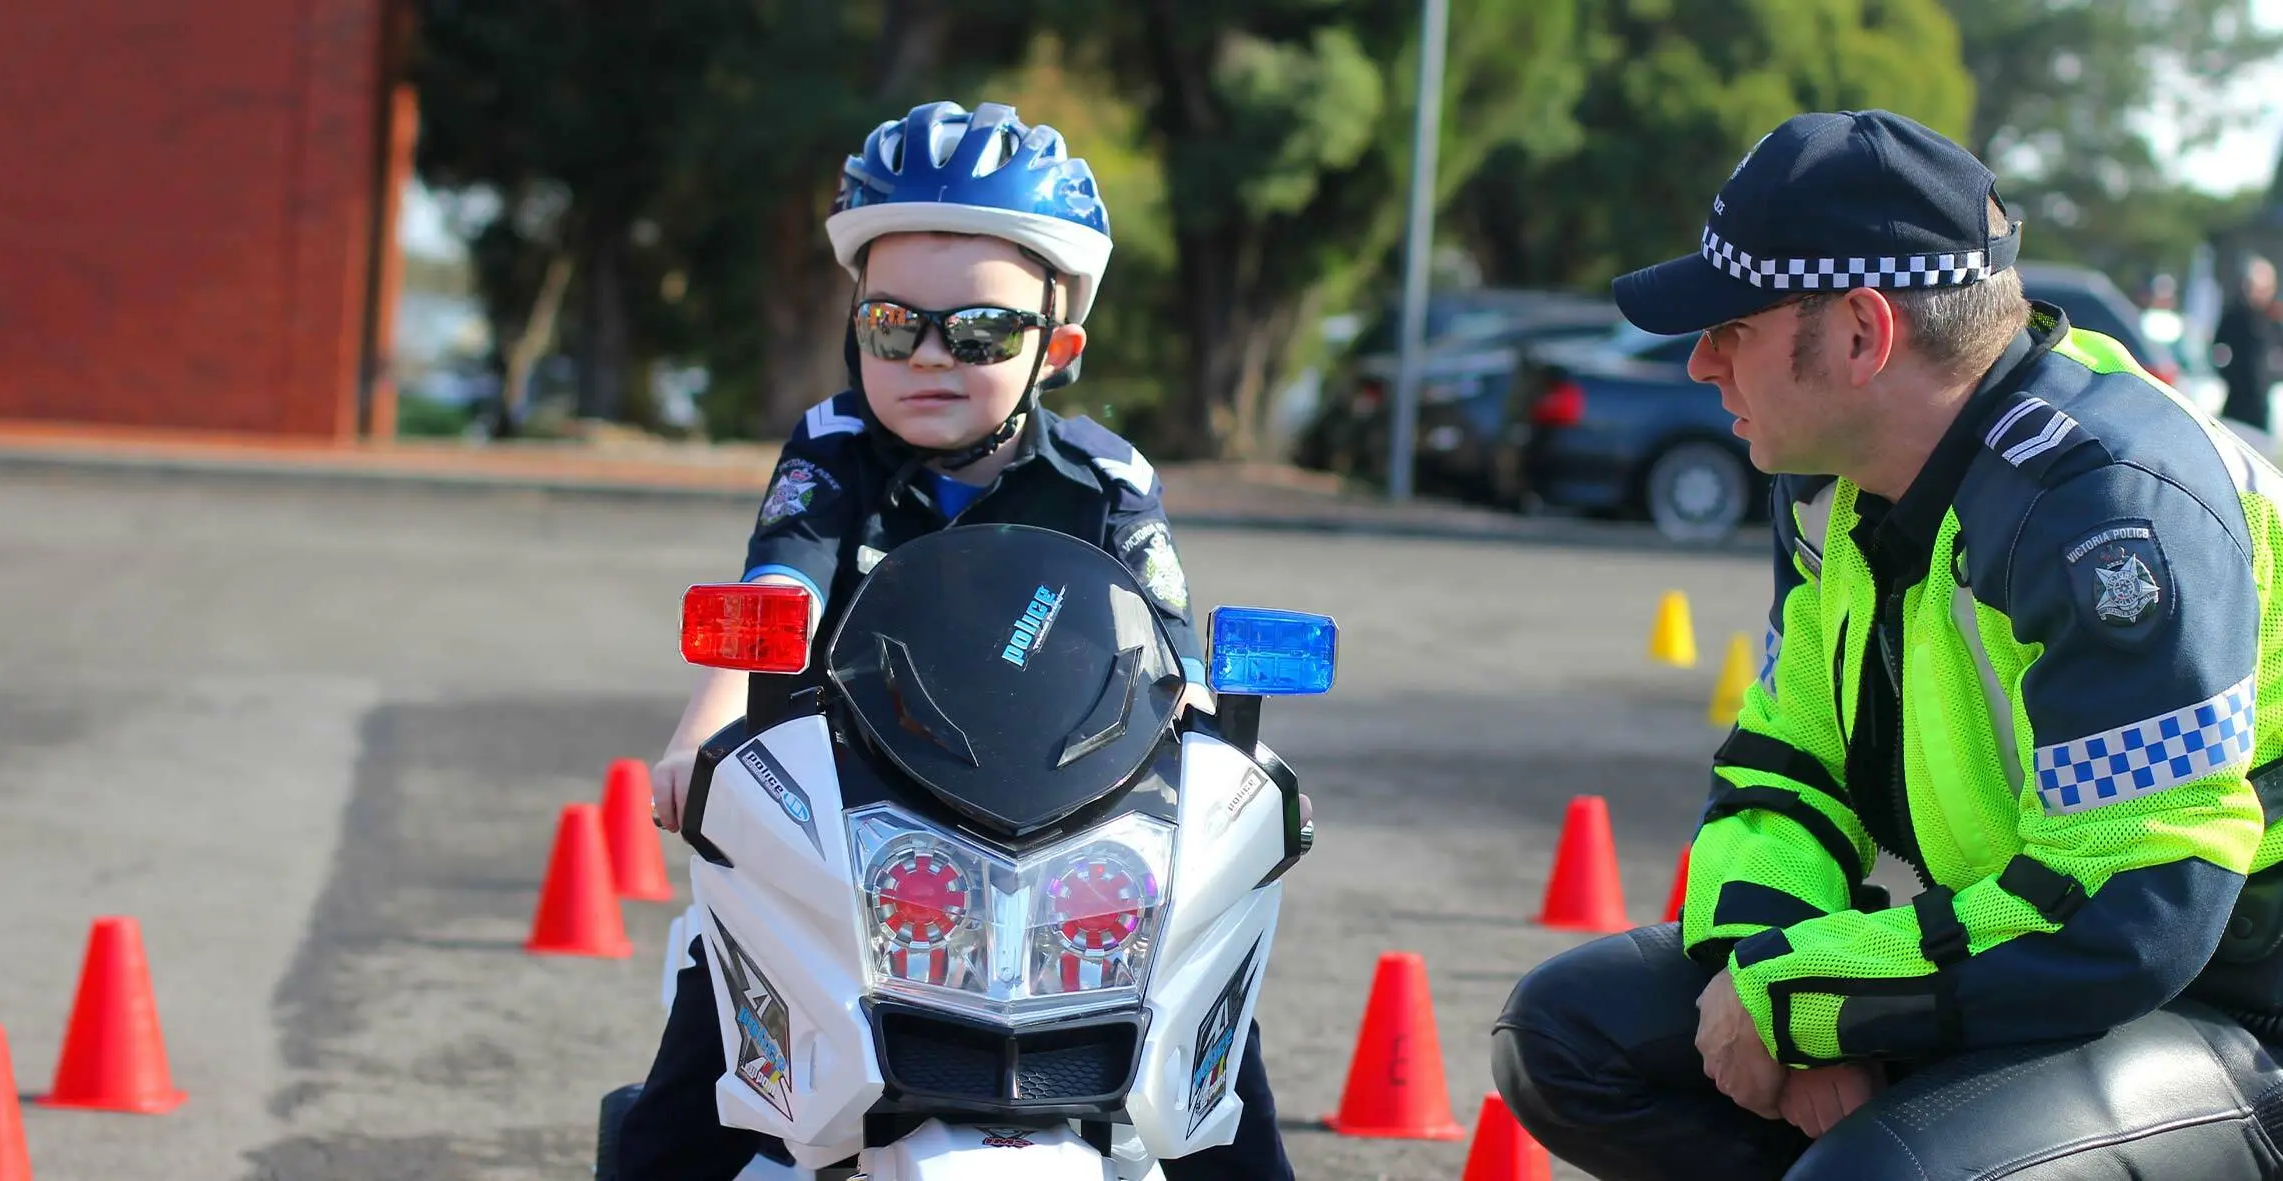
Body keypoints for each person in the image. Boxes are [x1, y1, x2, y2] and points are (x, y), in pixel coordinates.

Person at [1488, 108, 2283, 1179]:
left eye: (1733, 325)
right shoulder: (1831, 480)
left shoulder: (2107, 511)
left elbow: (2134, 907)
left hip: (2224, 996)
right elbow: (1785, 765)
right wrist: (1777, 982)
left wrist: (1805, 998)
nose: (1700, 363)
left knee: (1876, 1174)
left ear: (1862, 333)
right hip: (2041, 952)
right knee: (1563, 1037)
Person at [616, 99, 1296, 1181]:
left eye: (979, 332)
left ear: (1056, 348)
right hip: (849, 834)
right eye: (895, 325)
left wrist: (1232, 777)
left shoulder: (1109, 479)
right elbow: (777, 582)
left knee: (1214, 1060)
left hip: (1073, 834)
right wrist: (706, 725)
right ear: (858, 329)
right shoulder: (831, 450)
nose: (930, 356)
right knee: (709, 1054)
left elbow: (1165, 650)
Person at [2215, 253, 2280, 431]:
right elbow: (2218, 349)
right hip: (2236, 401)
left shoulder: (2274, 319)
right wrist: (2228, 373)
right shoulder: (2234, 317)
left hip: (2263, 403)